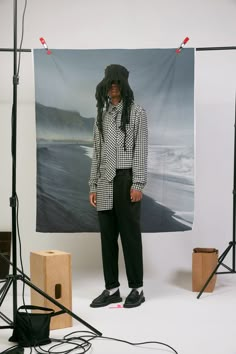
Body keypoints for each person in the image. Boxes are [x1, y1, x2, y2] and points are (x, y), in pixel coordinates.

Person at [89, 64, 148, 308]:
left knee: (130, 237)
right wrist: (92, 184)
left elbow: (141, 150)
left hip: (126, 180)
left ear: (124, 84)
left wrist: (138, 183)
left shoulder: (136, 113)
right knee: (107, 238)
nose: (113, 87)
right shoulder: (101, 116)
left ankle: (137, 288)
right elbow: (97, 152)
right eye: (109, 83)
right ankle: (112, 289)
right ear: (105, 85)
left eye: (117, 82)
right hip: (104, 181)